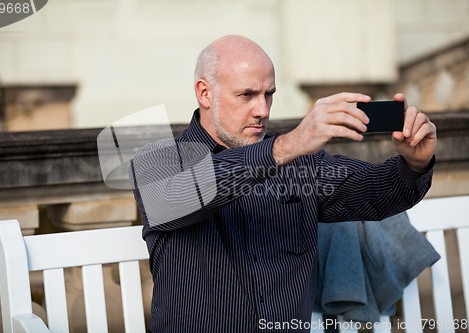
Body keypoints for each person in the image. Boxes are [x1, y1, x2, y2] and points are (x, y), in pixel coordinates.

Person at [129, 35, 436, 332]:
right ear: (205, 93)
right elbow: (175, 197)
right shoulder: (158, 161)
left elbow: (374, 191)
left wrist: (414, 163)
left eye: (269, 94)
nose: (262, 110)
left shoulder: (299, 163)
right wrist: (287, 146)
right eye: (247, 95)